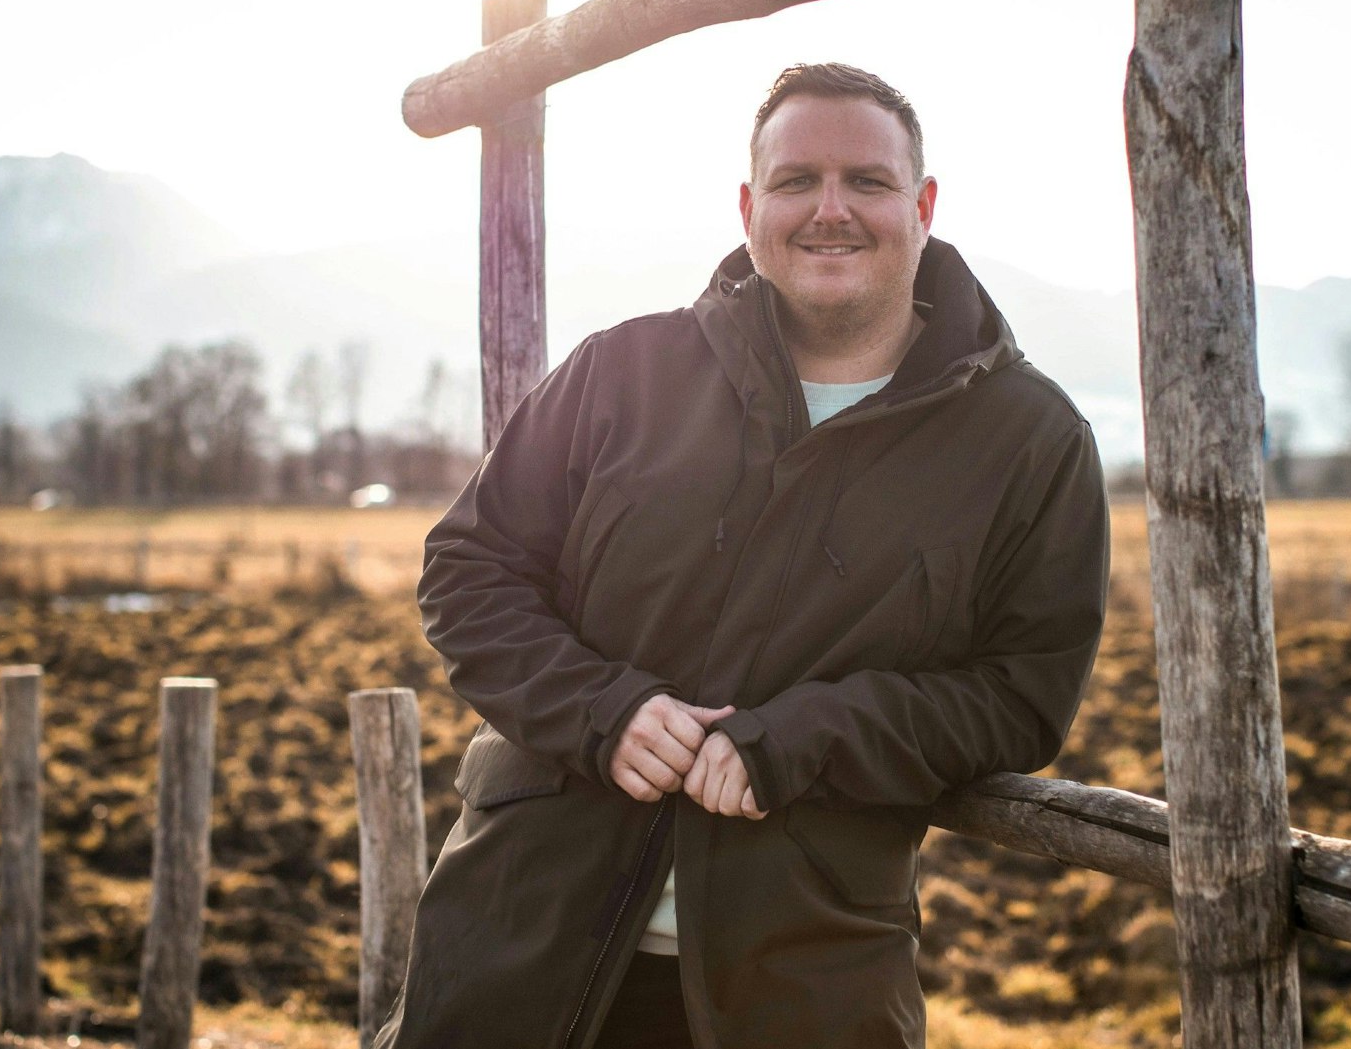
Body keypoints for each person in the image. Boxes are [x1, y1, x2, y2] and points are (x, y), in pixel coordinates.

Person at [376, 63, 1109, 1049]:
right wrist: (603, 710)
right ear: (748, 204)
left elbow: (1020, 695)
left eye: (868, 181)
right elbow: (471, 569)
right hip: (515, 953)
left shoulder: (1028, 439)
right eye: (796, 179)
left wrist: (804, 737)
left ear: (922, 205)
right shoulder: (618, 370)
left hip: (802, 985)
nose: (830, 210)